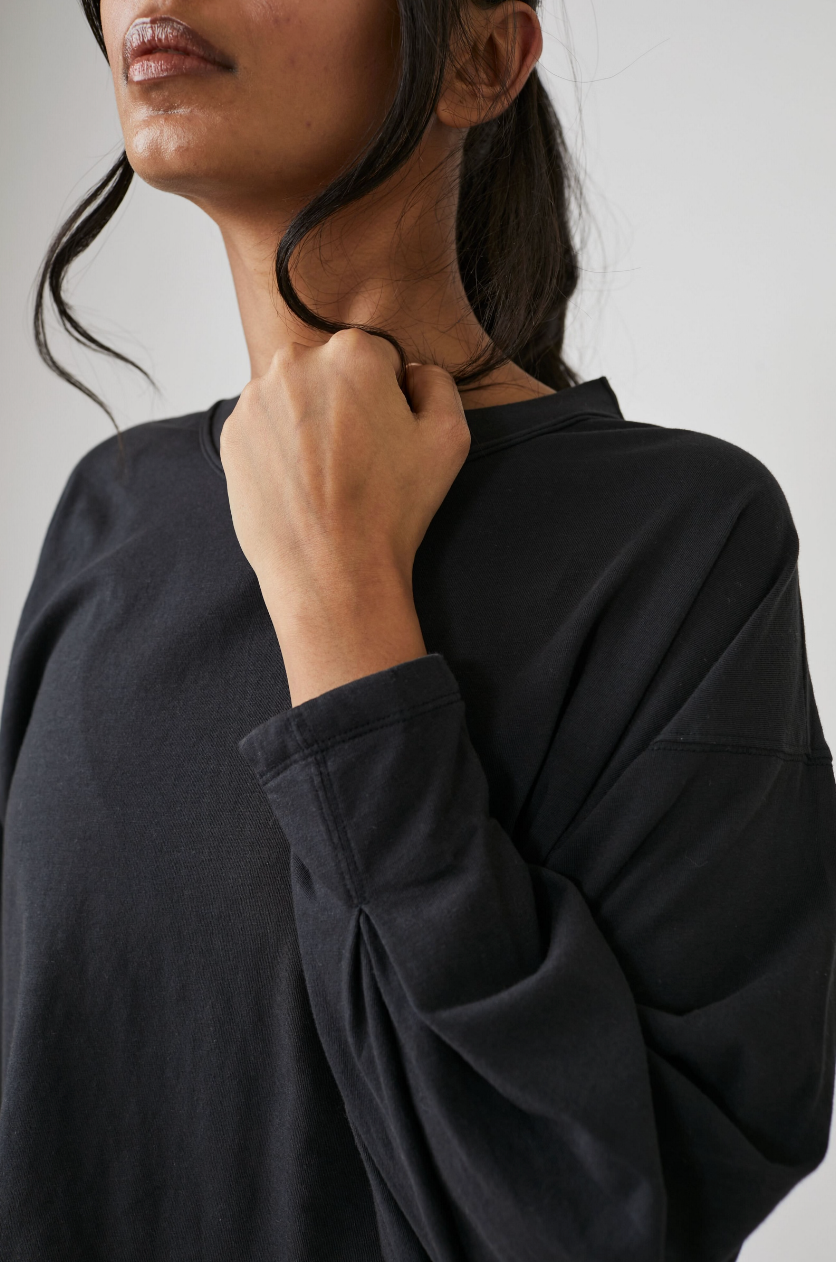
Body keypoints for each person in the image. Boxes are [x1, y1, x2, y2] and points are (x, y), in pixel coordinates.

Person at [1, 2, 834, 1259]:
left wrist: (342, 602)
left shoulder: (682, 544)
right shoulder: (106, 514)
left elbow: (598, 1215)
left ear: (479, 56)